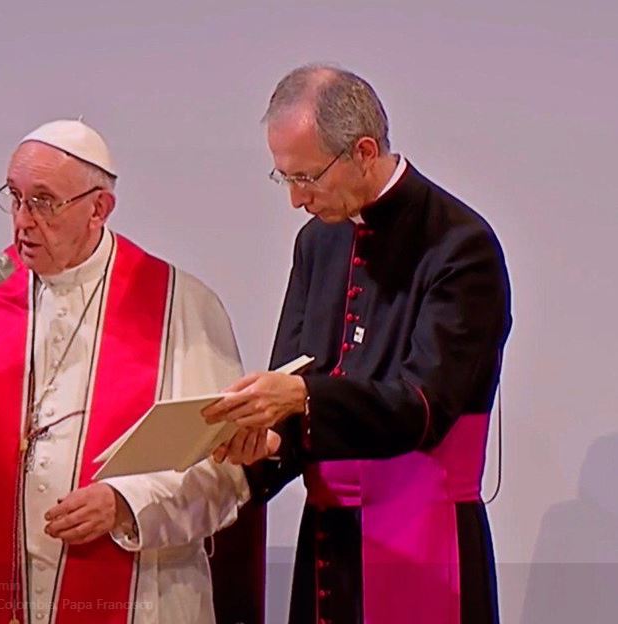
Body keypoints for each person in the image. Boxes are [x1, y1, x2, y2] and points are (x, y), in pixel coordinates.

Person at [0, 120, 255, 624]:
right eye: (14, 198)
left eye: (43, 201)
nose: (22, 221)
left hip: (142, 601)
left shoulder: (178, 307)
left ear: (98, 208)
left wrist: (125, 503)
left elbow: (223, 470)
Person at [205, 64, 512, 623]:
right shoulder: (317, 243)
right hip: (329, 543)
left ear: (364, 151)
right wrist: (268, 443)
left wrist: (300, 399)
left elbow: (425, 406)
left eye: (307, 178)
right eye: (285, 178)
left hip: (423, 540)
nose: (296, 199)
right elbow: (295, 383)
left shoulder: (460, 245)